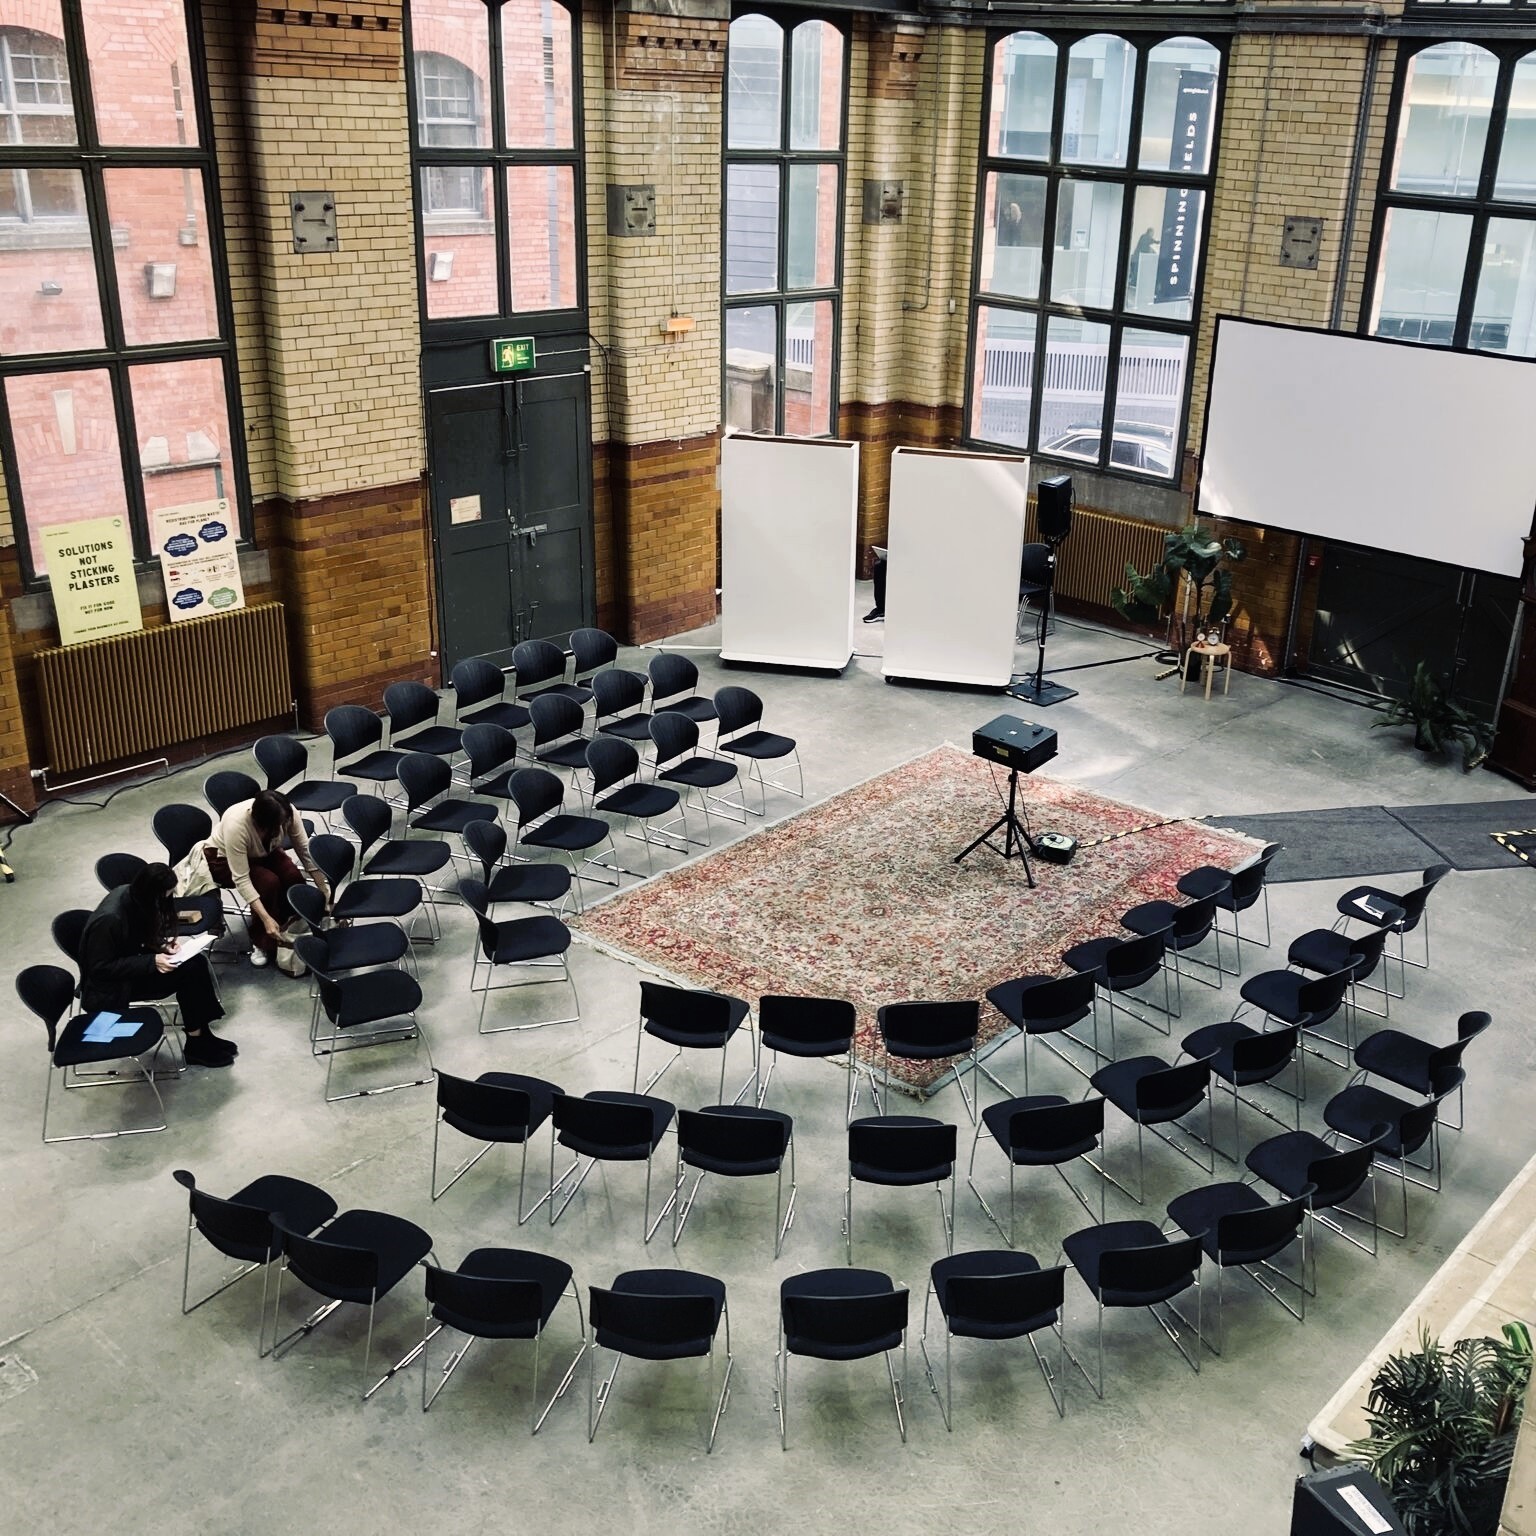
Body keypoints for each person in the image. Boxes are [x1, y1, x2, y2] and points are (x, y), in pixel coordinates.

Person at [79, 863, 234, 1067]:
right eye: (164, 896)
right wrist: (151, 961)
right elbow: (100, 968)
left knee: (195, 962)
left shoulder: (135, 897)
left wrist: (161, 945)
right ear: (150, 893)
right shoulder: (110, 919)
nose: (166, 901)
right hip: (113, 987)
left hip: (132, 966)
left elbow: (137, 934)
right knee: (188, 975)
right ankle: (196, 1043)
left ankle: (202, 1034)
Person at [206, 789, 330, 966]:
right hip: (223, 860)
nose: (282, 828)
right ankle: (261, 940)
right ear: (263, 825)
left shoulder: (287, 812)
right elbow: (241, 879)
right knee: (267, 882)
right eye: (278, 825)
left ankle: (291, 926)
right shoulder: (237, 825)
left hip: (263, 851)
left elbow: (305, 852)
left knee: (292, 875)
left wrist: (324, 890)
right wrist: (266, 919)